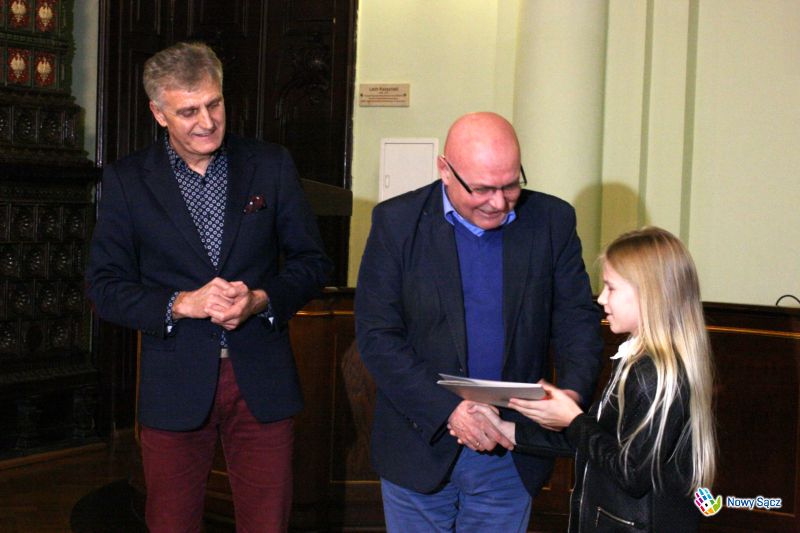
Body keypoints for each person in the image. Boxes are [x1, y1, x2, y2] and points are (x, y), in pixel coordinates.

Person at [86, 42, 331, 532]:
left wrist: (261, 299)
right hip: (174, 383)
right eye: (188, 111)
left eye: (214, 104)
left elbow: (312, 263)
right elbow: (104, 288)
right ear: (159, 114)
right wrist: (180, 303)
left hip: (261, 380)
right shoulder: (128, 180)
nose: (207, 121)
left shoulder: (270, 164)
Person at [355, 111, 603, 532]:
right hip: (420, 439)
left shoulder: (552, 220)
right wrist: (450, 412)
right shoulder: (397, 222)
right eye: (483, 188)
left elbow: (577, 321)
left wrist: (568, 401)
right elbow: (378, 336)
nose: (499, 202)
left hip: (512, 447)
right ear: (445, 170)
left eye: (511, 184)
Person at [470, 227, 717, 532]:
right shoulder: (637, 361)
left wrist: (573, 419)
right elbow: (597, 442)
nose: (601, 299)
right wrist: (506, 429)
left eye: (611, 288)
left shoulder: (653, 374)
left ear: (650, 294)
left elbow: (632, 473)